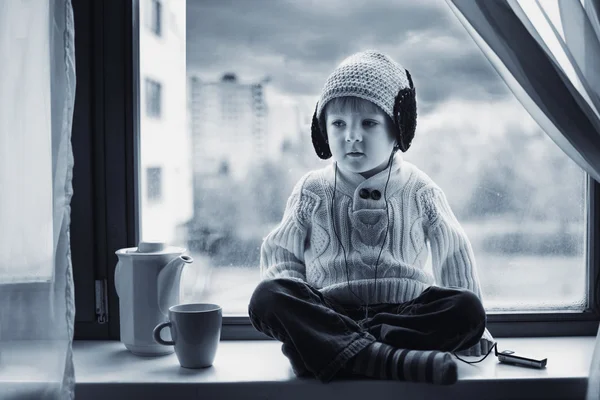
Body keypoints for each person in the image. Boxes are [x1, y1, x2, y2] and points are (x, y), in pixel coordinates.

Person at [248, 50, 494, 386]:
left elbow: (453, 253)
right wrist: (309, 310)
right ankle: (385, 358)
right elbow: (281, 254)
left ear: (398, 130)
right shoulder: (312, 189)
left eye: (369, 123)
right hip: (330, 311)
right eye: (338, 124)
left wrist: (477, 332)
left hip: (404, 314)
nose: (351, 135)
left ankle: (331, 352)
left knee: (467, 310)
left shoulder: (420, 189)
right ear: (322, 131)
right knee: (268, 295)